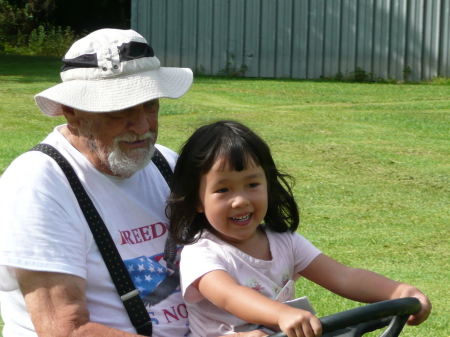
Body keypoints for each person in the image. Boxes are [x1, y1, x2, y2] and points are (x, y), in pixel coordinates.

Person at [0, 29, 265, 337]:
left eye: (150, 104)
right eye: (119, 110)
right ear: (73, 113)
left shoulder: (165, 163)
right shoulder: (39, 184)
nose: (142, 126)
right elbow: (66, 329)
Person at [167, 120, 432, 337]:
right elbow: (231, 296)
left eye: (252, 185)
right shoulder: (202, 254)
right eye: (223, 189)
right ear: (197, 201)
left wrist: (399, 292)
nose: (241, 200)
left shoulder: (286, 243)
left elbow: (344, 277)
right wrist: (281, 313)